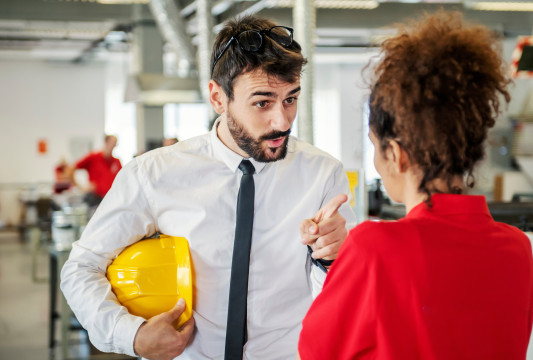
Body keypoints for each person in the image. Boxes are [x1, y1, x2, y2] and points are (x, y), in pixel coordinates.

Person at [61, 15, 355, 360]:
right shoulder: (154, 174)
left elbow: (346, 301)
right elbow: (82, 267)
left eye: (290, 99)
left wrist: (333, 260)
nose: (282, 121)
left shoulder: (323, 175)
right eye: (263, 102)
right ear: (218, 97)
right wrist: (132, 335)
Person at [299, 11, 533, 359]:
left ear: (396, 154)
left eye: (374, 146)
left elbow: (315, 351)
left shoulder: (372, 249)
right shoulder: (517, 250)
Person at [68, 135, 121, 207]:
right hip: (95, 200)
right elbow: (71, 169)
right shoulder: (93, 157)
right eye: (112, 143)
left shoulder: (116, 162)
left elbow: (121, 180)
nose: (113, 146)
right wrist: (81, 187)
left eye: (115, 144)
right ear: (106, 142)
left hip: (111, 200)